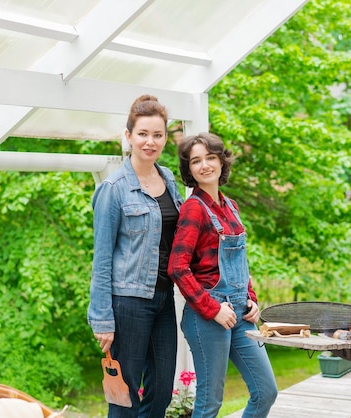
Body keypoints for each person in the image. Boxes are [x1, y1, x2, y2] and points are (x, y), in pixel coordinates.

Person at [168, 132, 278, 418]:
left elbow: (238, 260)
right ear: (189, 169)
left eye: (210, 158)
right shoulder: (193, 208)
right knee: (209, 403)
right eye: (196, 161)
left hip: (241, 313)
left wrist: (251, 299)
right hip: (208, 316)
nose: (204, 165)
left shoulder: (231, 206)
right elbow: (177, 267)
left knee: (266, 391)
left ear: (221, 161)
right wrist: (212, 309)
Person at [88, 95, 184, 418]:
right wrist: (102, 318)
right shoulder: (113, 189)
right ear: (128, 136)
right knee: (124, 397)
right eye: (142, 134)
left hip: (163, 299)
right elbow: (101, 258)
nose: (150, 141)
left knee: (161, 393)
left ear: (165, 139)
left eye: (157, 135)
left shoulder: (169, 180)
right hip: (127, 303)